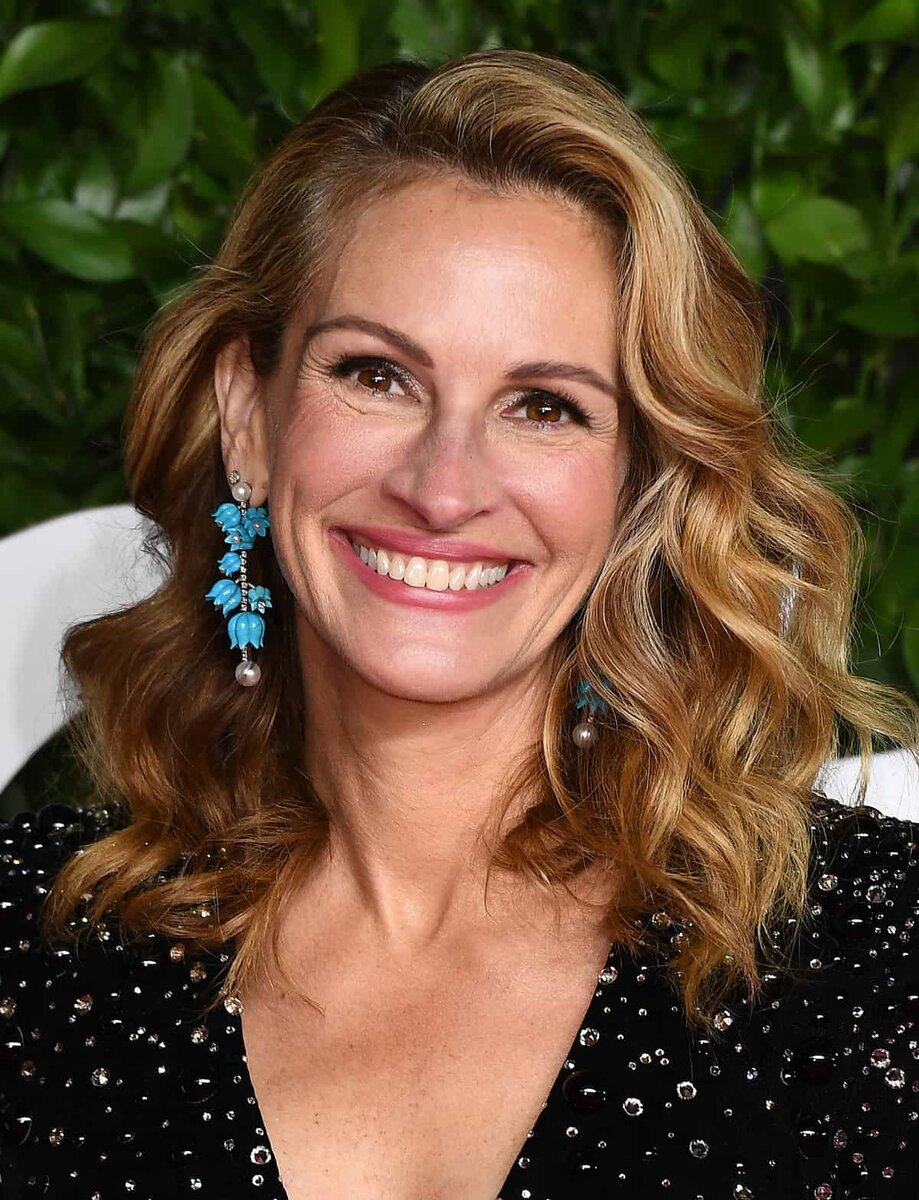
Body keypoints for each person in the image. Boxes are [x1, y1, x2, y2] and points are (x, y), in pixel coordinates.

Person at [1, 48, 917, 1200]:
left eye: (544, 406)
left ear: (638, 481)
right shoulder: (36, 940)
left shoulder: (874, 952)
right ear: (248, 415)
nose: (443, 489)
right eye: (376, 375)